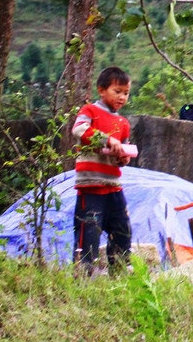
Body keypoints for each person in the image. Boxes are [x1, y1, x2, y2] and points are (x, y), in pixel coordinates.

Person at [71, 66, 135, 274]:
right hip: (90, 184)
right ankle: (84, 271)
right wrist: (107, 139)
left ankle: (120, 269)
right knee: (89, 228)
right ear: (101, 90)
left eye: (126, 93)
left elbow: (121, 152)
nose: (122, 97)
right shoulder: (89, 110)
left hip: (113, 185)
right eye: (117, 91)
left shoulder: (123, 123)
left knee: (121, 228)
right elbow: (79, 129)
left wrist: (122, 158)